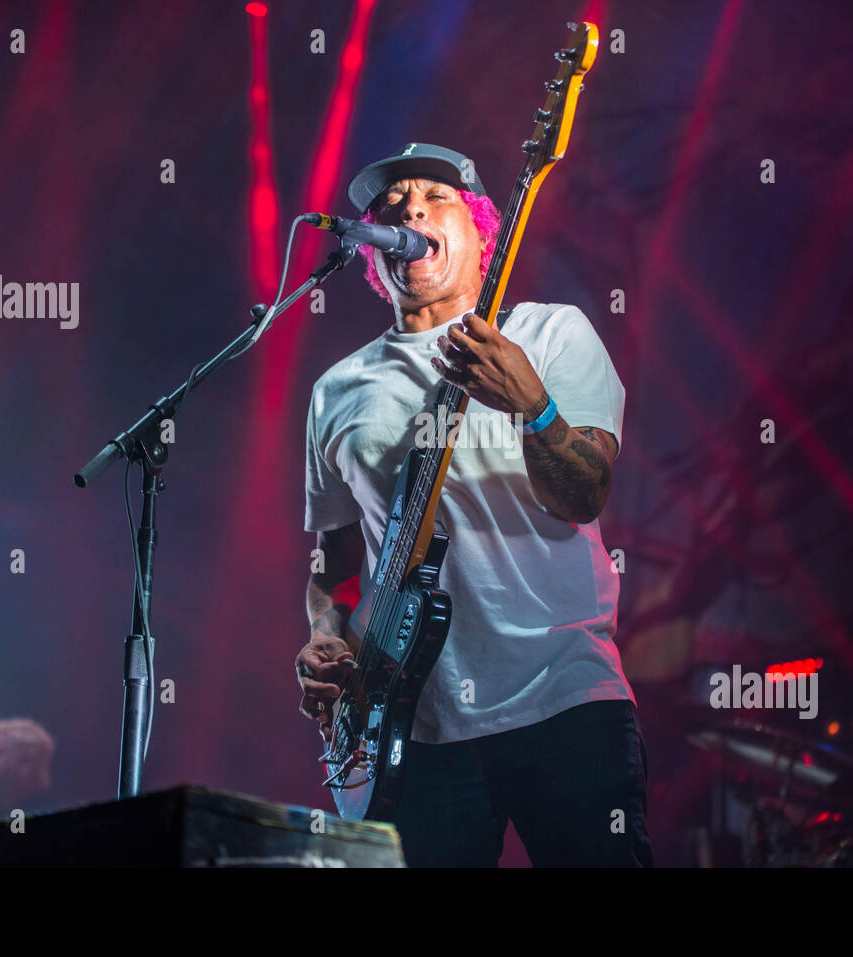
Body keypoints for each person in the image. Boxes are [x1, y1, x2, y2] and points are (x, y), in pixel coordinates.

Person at [295, 143, 651, 866]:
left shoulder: (551, 333)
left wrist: (535, 407)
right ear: (372, 253)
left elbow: (583, 494)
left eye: (435, 197)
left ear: (483, 232)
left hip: (565, 697)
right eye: (391, 206)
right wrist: (323, 632)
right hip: (412, 725)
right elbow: (335, 562)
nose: (409, 210)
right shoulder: (337, 389)